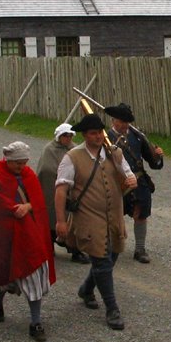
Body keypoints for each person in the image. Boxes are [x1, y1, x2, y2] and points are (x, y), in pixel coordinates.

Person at [55, 114, 138, 330]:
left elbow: (128, 175)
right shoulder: (72, 157)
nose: (99, 136)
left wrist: (132, 180)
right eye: (93, 133)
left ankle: (86, 289)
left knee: (112, 255)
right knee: (101, 261)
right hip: (88, 216)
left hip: (114, 214)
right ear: (85, 135)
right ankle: (112, 309)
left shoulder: (114, 153)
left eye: (100, 132)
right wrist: (61, 221)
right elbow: (61, 190)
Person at [0, 141, 56, 342]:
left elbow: (39, 200)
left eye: (24, 163)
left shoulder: (29, 175)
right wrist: (13, 208)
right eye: (17, 164)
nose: (21, 167)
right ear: (8, 160)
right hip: (6, 235)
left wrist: (29, 205)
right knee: (7, 277)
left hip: (30, 235)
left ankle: (35, 322)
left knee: (35, 274)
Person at [105, 103, 164, 264]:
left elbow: (153, 162)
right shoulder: (105, 137)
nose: (124, 125)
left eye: (126, 121)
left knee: (141, 214)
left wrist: (158, 155)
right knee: (113, 217)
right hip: (115, 183)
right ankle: (109, 247)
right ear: (113, 121)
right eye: (121, 121)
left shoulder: (138, 136)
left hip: (138, 181)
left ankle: (140, 249)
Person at [36, 122, 90, 264]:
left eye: (70, 135)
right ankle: (49, 247)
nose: (68, 138)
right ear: (59, 136)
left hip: (71, 191)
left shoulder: (74, 149)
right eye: (65, 135)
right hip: (52, 190)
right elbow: (45, 169)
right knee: (51, 218)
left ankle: (75, 251)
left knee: (73, 221)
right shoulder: (49, 149)